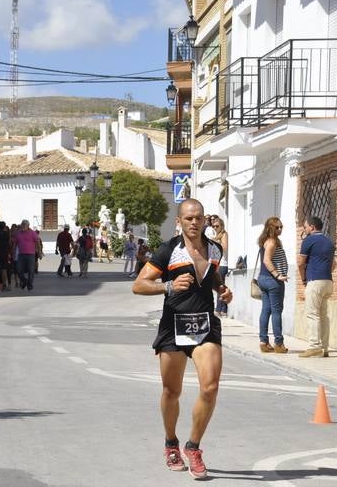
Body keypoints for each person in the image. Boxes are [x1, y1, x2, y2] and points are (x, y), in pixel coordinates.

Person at [132, 198, 232, 480]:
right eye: (188, 218)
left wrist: (221, 289)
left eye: (198, 218)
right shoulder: (168, 251)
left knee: (210, 387)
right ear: (180, 221)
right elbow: (138, 285)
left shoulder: (215, 249)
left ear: (204, 220)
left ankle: (194, 447)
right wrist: (168, 286)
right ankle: (171, 442)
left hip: (205, 325)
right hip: (173, 327)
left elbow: (211, 276)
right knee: (171, 392)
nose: (193, 222)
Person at [297, 216, 336, 358]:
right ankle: (324, 348)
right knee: (324, 315)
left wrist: (304, 279)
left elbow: (301, 262)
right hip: (328, 282)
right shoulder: (329, 242)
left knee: (312, 314)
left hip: (315, 281)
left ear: (312, 227)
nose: (304, 229)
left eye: (306, 226)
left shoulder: (309, 240)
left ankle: (314, 347)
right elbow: (334, 264)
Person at [257, 217, 289, 353]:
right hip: (272, 281)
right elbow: (266, 260)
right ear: (270, 228)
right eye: (277, 227)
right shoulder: (271, 242)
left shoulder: (265, 241)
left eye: (281, 227)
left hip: (263, 279)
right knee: (276, 312)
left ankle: (263, 342)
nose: (280, 229)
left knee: (266, 310)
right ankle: (279, 343)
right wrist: (277, 275)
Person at [14, 219, 39, 291]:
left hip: (31, 254)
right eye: (22, 224)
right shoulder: (18, 233)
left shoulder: (32, 233)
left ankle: (30, 285)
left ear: (28, 226)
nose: (23, 226)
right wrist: (13, 253)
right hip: (21, 254)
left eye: (24, 225)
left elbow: (37, 242)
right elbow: (15, 244)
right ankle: (24, 281)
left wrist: (39, 252)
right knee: (18, 269)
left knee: (31, 270)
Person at [212, 218, 229, 317]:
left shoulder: (223, 234)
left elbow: (225, 248)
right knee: (220, 286)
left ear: (222, 226)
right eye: (213, 226)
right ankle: (222, 309)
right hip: (217, 264)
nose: (215, 228)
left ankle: (220, 309)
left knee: (220, 287)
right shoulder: (217, 235)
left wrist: (216, 241)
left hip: (223, 264)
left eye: (217, 226)